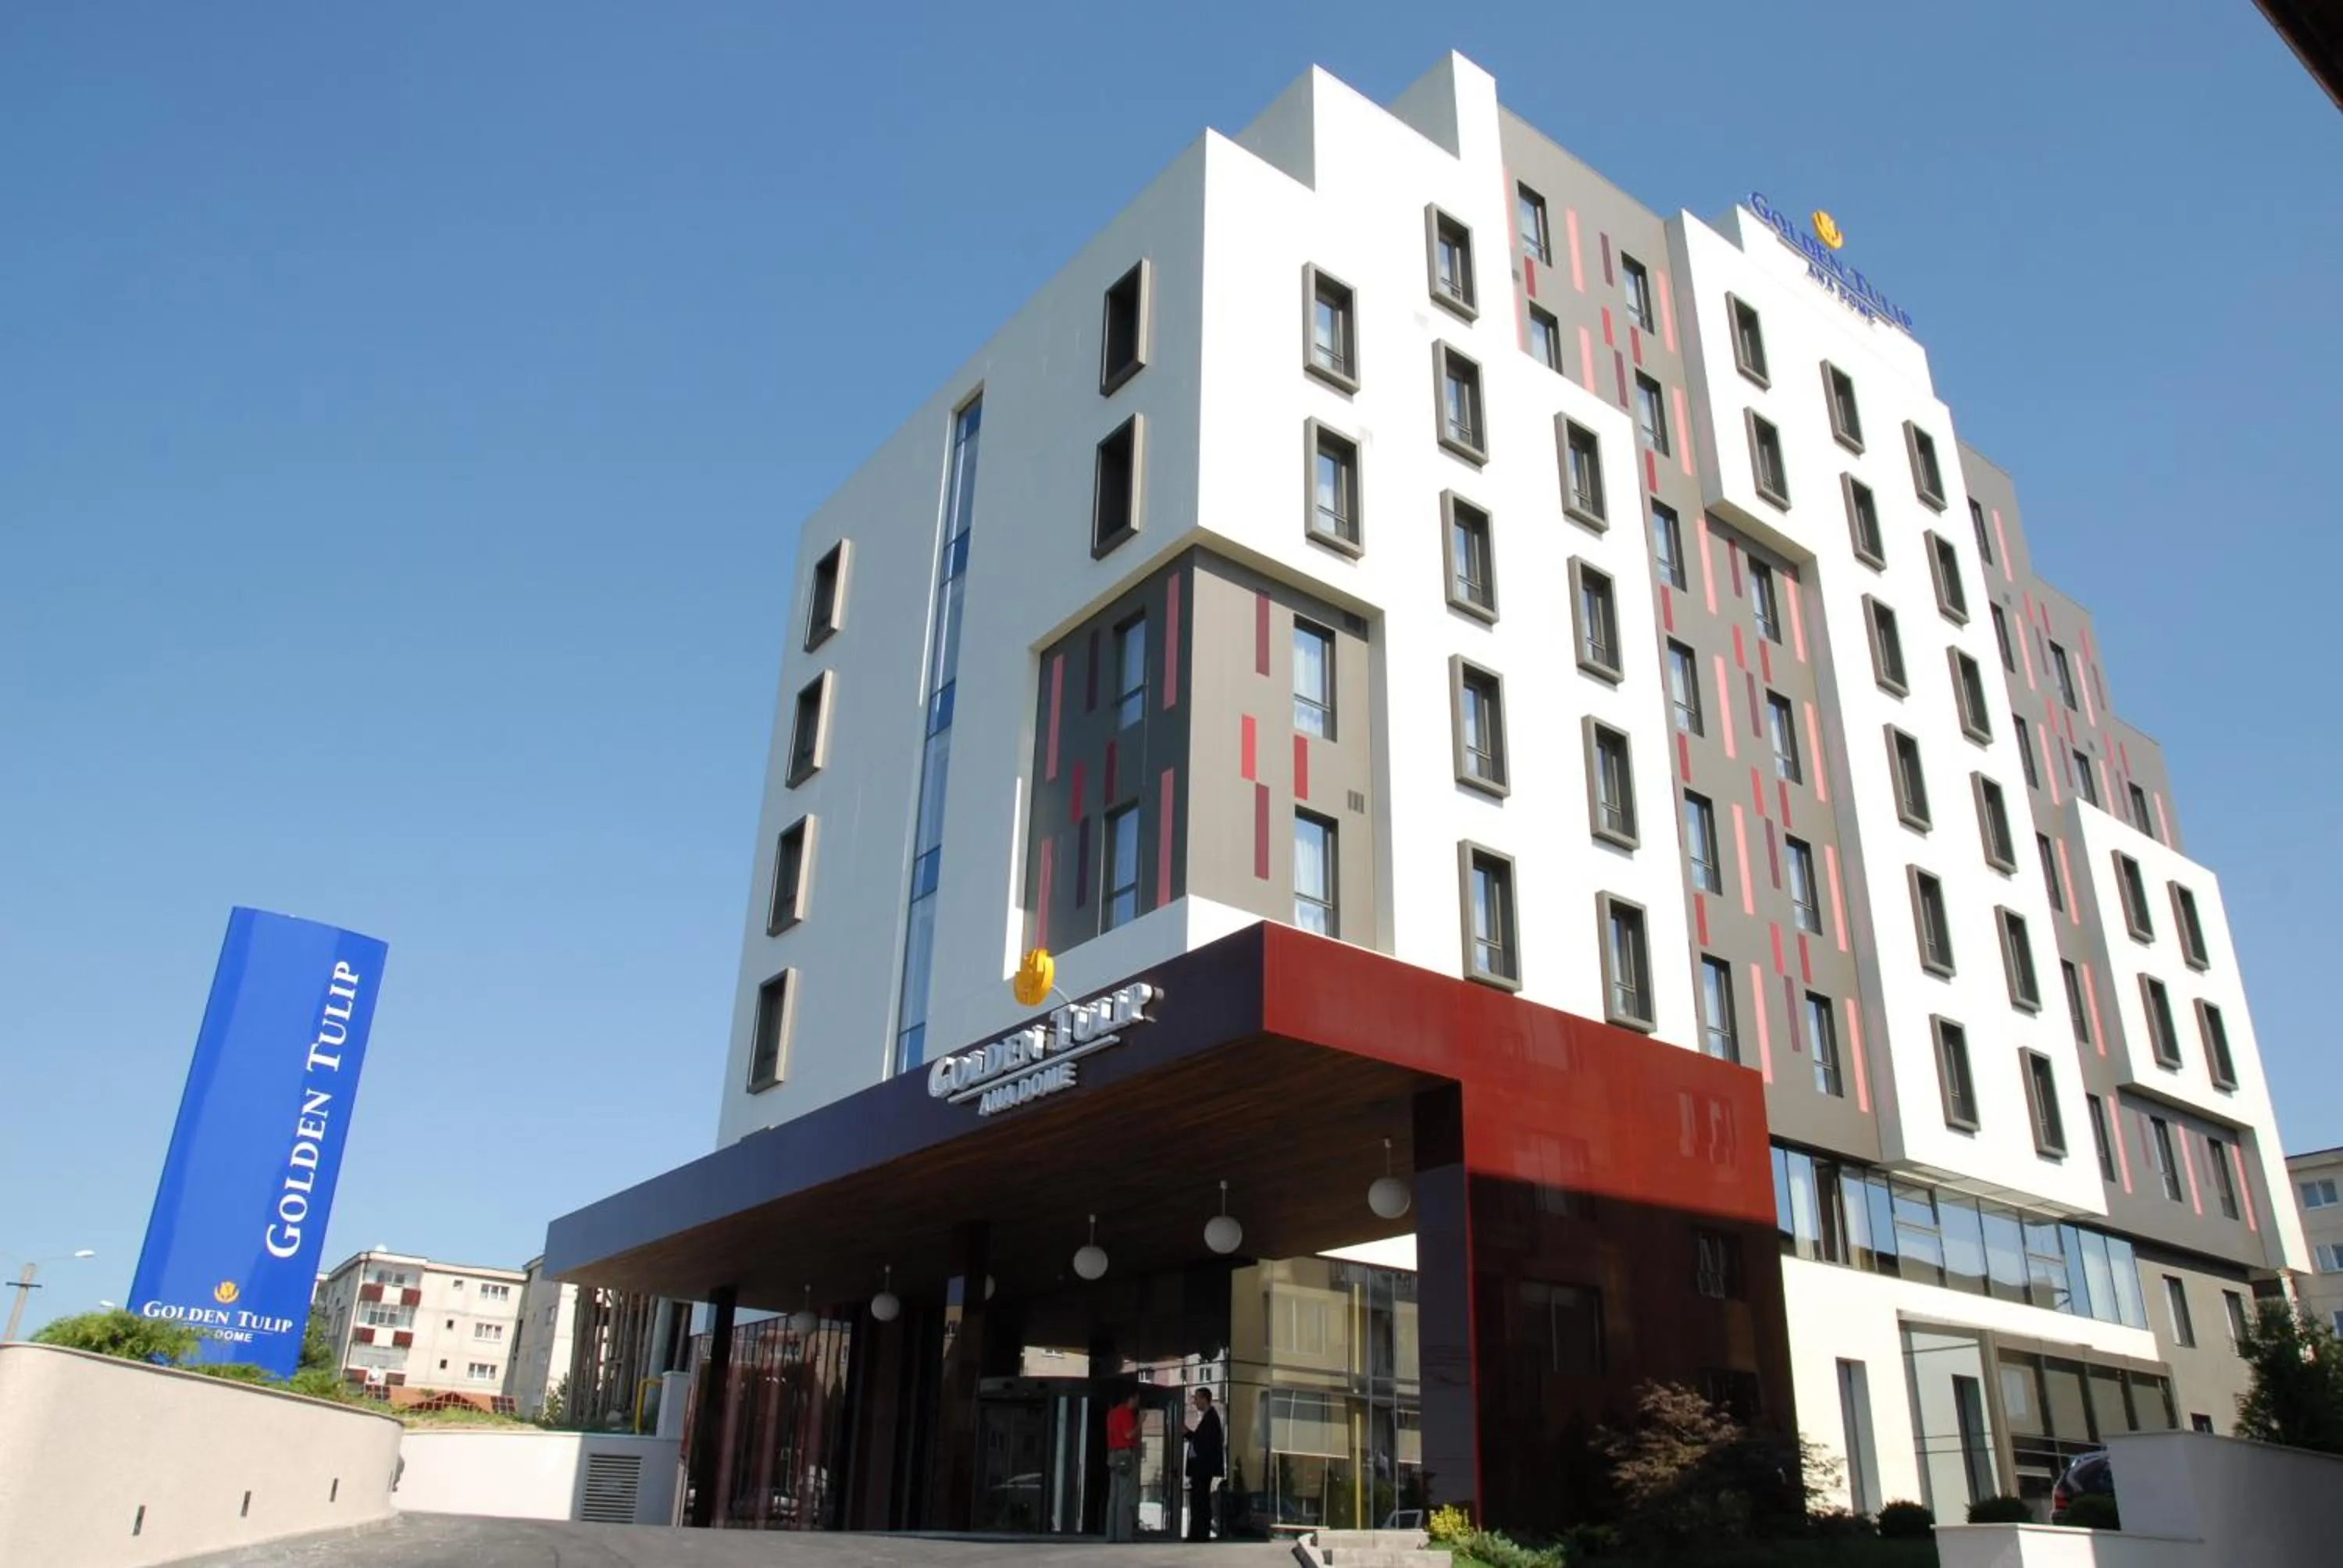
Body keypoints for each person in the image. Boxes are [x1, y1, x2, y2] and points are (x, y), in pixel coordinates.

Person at [1183, 1386, 1223, 1542]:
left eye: (1197, 1398)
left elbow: (1205, 1443)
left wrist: (1188, 1434)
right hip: (1201, 1469)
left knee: (1200, 1501)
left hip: (1202, 1469)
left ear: (1205, 1399)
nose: (1195, 1402)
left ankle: (1199, 1534)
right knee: (1199, 1500)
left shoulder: (1211, 1418)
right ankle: (1198, 1533)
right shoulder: (1208, 1418)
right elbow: (1202, 1441)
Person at [1104, 1388, 1142, 1541]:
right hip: (1125, 1455)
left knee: (1113, 1497)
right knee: (1125, 1497)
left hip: (1113, 1455)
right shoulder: (1125, 1413)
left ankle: (1111, 1535)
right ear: (1130, 1399)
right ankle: (1124, 1536)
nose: (1138, 1403)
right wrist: (1140, 1423)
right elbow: (1128, 1434)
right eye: (1137, 1399)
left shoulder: (1111, 1413)